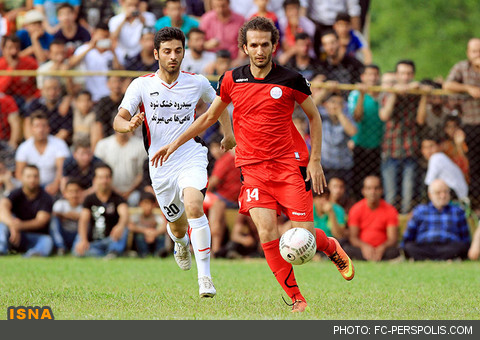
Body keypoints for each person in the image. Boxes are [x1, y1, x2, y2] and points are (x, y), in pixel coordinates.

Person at [150, 17, 354, 312]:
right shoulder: (232, 79)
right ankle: (297, 299)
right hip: (253, 169)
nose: (260, 51)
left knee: (305, 240)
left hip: (289, 167)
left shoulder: (291, 79)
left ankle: (330, 246)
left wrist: (316, 160)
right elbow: (209, 117)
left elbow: (314, 117)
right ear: (245, 47)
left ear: (274, 46)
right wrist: (174, 143)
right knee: (268, 233)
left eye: (265, 45)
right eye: (254, 45)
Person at [113, 27, 235, 298]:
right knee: (178, 225)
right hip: (159, 165)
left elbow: (220, 105)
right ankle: (180, 243)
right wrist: (128, 124)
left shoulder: (197, 82)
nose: (173, 56)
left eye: (178, 51)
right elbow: (118, 119)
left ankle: (205, 278)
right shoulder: (141, 85)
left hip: (190, 155)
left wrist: (229, 134)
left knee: (194, 206)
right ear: (156, 53)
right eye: (167, 51)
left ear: (184, 53)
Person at [379, 60, 429, 213]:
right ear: (397, 75)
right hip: (390, 150)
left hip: (410, 150)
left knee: (408, 197)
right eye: (402, 73)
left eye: (408, 74)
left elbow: (421, 120)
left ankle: (405, 231)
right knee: (391, 196)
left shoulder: (416, 94)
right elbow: (384, 115)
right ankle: (391, 230)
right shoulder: (387, 92)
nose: (405, 77)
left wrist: (424, 95)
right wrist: (395, 92)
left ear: (413, 75)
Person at [443, 38, 480, 206]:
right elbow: (447, 84)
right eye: (474, 51)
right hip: (471, 124)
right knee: (474, 164)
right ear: (468, 53)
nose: (477, 55)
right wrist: (468, 88)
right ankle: (476, 203)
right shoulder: (462, 67)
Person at [402, 179, 471, 261]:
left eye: (446, 192)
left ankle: (426, 259)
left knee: (460, 247)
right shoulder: (420, 211)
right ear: (430, 195)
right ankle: (447, 259)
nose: (443, 196)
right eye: (438, 193)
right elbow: (408, 236)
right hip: (425, 246)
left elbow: (465, 238)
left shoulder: (457, 211)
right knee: (409, 247)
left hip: (449, 246)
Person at [73, 164, 129, 258]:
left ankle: (112, 252)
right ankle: (106, 256)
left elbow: (124, 215)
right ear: (95, 180)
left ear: (111, 179)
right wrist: (83, 240)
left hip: (112, 239)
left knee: (124, 229)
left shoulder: (118, 199)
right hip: (93, 242)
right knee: (78, 250)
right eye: (101, 177)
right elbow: (83, 220)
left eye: (107, 177)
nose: (104, 181)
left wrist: (120, 226)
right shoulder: (89, 199)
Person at [0, 164, 54, 257]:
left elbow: (41, 221)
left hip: (34, 236)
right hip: (13, 234)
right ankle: (1, 249)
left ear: (39, 178)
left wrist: (19, 226)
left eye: (35, 176)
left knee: (47, 240)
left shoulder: (46, 197)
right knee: (2, 225)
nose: (32, 180)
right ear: (22, 178)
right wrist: (12, 224)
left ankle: (33, 254)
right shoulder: (15, 194)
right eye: (28, 176)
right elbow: (2, 208)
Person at [344, 175, 400, 261]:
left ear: (381, 191)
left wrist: (382, 248)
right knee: (347, 249)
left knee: (395, 252)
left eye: (376, 188)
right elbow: (353, 238)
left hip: (383, 249)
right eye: (369, 188)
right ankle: (373, 257)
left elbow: (393, 239)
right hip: (361, 249)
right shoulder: (356, 209)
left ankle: (374, 257)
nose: (372, 192)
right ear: (363, 191)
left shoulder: (390, 210)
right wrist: (364, 247)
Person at [347, 64, 383, 197]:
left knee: (377, 182)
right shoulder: (355, 94)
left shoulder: (383, 93)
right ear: (362, 77)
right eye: (369, 74)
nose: (372, 78)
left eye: (375, 74)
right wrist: (362, 95)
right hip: (360, 145)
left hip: (379, 146)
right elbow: (357, 117)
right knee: (359, 182)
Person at [15, 112, 70, 196]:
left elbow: (61, 169)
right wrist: (30, 188)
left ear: (48, 128)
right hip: (31, 186)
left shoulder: (59, 144)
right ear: (31, 129)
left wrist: (55, 185)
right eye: (37, 126)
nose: (40, 130)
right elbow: (19, 173)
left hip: (53, 187)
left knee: (65, 181)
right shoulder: (24, 147)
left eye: (43, 126)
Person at [69, 23, 122, 102]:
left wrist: (113, 52)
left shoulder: (115, 51)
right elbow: (71, 63)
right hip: (90, 96)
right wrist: (91, 47)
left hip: (109, 96)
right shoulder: (84, 49)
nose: (103, 39)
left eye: (106, 36)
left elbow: (120, 70)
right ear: (94, 34)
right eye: (101, 36)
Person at [94, 131, 147, 206]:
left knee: (135, 199)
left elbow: (141, 173)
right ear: (114, 125)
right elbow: (98, 172)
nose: (122, 129)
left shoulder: (140, 146)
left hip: (133, 192)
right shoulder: (103, 145)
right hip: (108, 190)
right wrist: (114, 190)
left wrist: (129, 191)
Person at [319, 92, 357, 187]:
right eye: (333, 102)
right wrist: (326, 89)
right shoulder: (321, 117)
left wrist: (340, 114)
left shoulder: (346, 118)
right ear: (326, 105)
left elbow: (352, 131)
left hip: (343, 166)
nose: (336, 106)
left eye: (339, 103)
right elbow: (310, 105)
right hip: (325, 165)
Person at [420, 136, 468, 203]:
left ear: (439, 147)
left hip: (454, 195)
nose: (429, 150)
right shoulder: (442, 157)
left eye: (431, 146)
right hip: (460, 194)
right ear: (422, 150)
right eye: (425, 147)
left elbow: (428, 182)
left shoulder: (436, 157)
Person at [25, 77, 73, 142]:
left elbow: (64, 132)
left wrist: (49, 146)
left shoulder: (66, 107)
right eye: (48, 89)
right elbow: (27, 125)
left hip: (57, 144)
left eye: (55, 88)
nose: (52, 92)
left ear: (59, 90)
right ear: (42, 90)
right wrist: (34, 144)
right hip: (35, 143)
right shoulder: (35, 104)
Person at [0, 35, 40, 114]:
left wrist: (34, 97)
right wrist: (11, 68)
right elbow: (1, 89)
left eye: (17, 48)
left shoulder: (30, 63)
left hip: (28, 101)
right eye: (10, 48)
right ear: (3, 50)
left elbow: (41, 84)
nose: (14, 52)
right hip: (8, 103)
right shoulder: (1, 64)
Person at [108, 0, 156, 64]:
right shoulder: (115, 20)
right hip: (122, 55)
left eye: (136, 5)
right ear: (122, 3)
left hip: (141, 55)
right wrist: (124, 20)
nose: (133, 8)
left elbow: (151, 36)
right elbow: (113, 37)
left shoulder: (149, 16)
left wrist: (142, 19)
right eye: (129, 5)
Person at [128, 191, 168, 258]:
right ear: (140, 204)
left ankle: (159, 253)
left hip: (154, 240)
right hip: (142, 241)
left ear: (154, 205)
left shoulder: (157, 216)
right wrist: (145, 231)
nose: (148, 207)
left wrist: (154, 233)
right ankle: (143, 254)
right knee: (139, 236)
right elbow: (130, 226)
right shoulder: (137, 216)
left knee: (161, 236)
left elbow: (164, 227)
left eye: (150, 204)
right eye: (145, 203)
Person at [90, 76, 125, 149]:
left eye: (119, 81)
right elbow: (99, 123)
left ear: (122, 83)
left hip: (125, 132)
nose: (116, 85)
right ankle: (97, 152)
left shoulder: (127, 100)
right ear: (108, 84)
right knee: (95, 127)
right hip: (107, 134)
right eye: (113, 82)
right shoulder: (103, 102)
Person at [49, 179, 83, 254]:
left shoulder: (83, 206)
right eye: (71, 191)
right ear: (65, 193)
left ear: (81, 192)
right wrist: (66, 215)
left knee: (85, 221)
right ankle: (60, 247)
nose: (74, 194)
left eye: (77, 191)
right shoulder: (60, 203)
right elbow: (53, 214)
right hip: (63, 234)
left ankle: (77, 248)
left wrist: (80, 217)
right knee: (53, 220)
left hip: (76, 235)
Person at [442, 115, 469, 184]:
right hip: (448, 177)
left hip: (463, 177)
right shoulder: (443, 145)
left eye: (454, 126)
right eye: (449, 127)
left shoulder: (464, 143)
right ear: (445, 129)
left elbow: (464, 162)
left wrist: (459, 145)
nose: (452, 129)